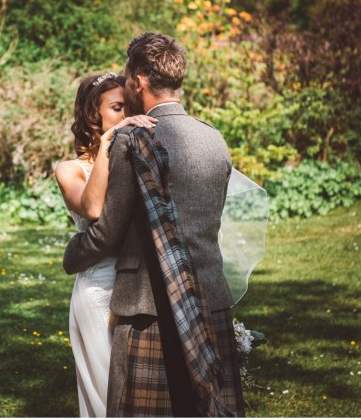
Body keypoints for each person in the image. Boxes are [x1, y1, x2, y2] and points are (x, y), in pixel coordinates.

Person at [63, 33, 245, 417]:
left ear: (138, 81)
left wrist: (73, 253)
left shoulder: (133, 139)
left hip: (149, 306)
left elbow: (107, 232)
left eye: (128, 75)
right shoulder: (215, 139)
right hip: (210, 299)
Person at [55, 72, 157, 418]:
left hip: (140, 288)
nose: (126, 114)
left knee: (141, 396)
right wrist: (112, 140)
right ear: (92, 116)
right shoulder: (70, 170)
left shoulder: (137, 157)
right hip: (97, 293)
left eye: (129, 106)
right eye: (116, 108)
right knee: (106, 397)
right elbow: (94, 208)